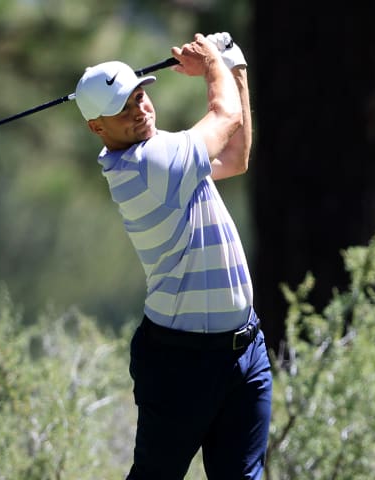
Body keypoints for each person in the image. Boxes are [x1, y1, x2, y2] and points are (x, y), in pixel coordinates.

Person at [75, 32, 272, 479]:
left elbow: (237, 156)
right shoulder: (149, 166)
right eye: (123, 110)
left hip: (244, 349)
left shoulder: (167, 154)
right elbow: (225, 116)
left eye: (140, 97)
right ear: (97, 128)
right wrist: (211, 66)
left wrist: (233, 64)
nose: (139, 110)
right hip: (181, 362)